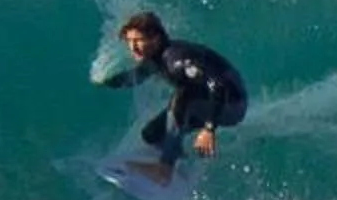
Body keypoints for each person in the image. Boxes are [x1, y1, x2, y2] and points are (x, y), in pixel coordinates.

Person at [100, 10, 248, 179]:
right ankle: (179, 161)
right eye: (129, 41)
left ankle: (164, 171)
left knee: (183, 96)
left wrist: (209, 129)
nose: (132, 47)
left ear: (155, 38)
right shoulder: (155, 59)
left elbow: (218, 85)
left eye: (138, 40)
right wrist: (102, 81)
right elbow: (134, 77)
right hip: (207, 103)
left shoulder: (176, 60)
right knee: (152, 135)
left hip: (232, 104)